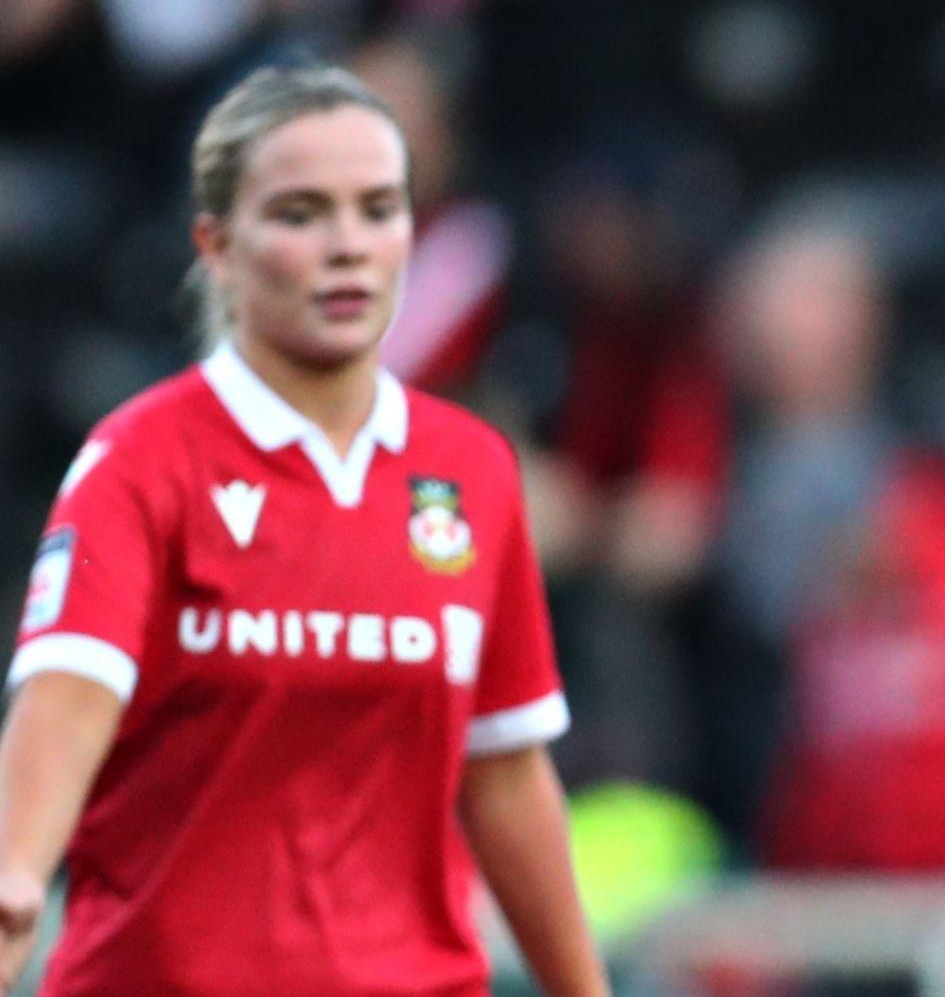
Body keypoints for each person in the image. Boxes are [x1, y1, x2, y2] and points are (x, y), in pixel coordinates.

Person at [0, 65, 607, 997]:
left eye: (378, 209)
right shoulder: (141, 463)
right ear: (217, 246)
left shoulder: (473, 472)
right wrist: (14, 890)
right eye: (299, 214)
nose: (348, 246)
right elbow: (55, 741)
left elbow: (506, 775)